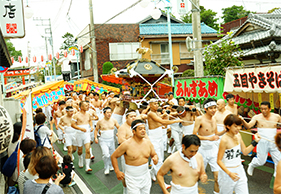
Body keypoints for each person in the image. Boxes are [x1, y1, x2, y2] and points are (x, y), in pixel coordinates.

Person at [111, 119, 158, 194]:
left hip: (146, 176)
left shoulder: (148, 143)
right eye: (140, 129)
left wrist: (155, 158)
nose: (143, 131)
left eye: (144, 129)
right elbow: (113, 156)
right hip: (132, 178)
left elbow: (154, 154)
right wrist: (117, 171)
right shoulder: (126, 144)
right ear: (133, 131)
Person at [217, 114, 260, 194]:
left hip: (239, 169)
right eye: (235, 126)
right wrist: (229, 173)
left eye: (239, 126)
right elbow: (219, 160)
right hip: (227, 172)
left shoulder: (238, 135)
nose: (239, 128)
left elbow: (245, 152)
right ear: (228, 126)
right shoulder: (224, 140)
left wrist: (255, 142)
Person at [241, 101, 281, 177]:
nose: (263, 111)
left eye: (265, 109)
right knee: (261, 161)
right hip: (262, 140)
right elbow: (249, 126)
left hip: (273, 141)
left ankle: (277, 175)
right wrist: (243, 120)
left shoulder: (277, 117)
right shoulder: (257, 117)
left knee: (278, 160)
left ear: (270, 109)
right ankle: (252, 164)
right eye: (262, 109)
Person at [147, 99, 182, 182]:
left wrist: (165, 115)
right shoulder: (151, 113)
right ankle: (161, 179)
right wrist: (176, 121)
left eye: (157, 103)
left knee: (161, 157)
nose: (156, 105)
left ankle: (151, 172)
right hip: (154, 137)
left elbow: (161, 119)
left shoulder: (156, 113)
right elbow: (162, 121)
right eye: (154, 104)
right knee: (158, 158)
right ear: (150, 105)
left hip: (159, 136)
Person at [193, 98, 222, 194]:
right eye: (211, 108)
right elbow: (194, 135)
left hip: (213, 150)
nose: (214, 110)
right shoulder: (199, 119)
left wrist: (226, 129)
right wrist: (208, 138)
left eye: (215, 108)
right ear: (205, 109)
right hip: (202, 150)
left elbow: (216, 133)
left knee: (218, 177)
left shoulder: (214, 119)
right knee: (197, 176)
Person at [94, 107, 120, 175]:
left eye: (110, 112)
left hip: (111, 140)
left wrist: (118, 133)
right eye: (107, 112)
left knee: (112, 154)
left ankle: (111, 165)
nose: (109, 114)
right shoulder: (100, 121)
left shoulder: (114, 120)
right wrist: (95, 137)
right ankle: (106, 167)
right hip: (103, 140)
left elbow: (119, 127)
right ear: (104, 113)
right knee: (106, 155)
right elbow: (96, 129)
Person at [71, 101, 94, 172]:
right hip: (79, 134)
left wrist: (91, 126)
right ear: (81, 107)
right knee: (80, 150)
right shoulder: (76, 115)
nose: (88, 107)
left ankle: (87, 166)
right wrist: (80, 128)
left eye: (88, 105)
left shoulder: (88, 114)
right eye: (86, 105)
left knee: (87, 150)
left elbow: (90, 120)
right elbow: (72, 124)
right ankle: (80, 159)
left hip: (86, 133)